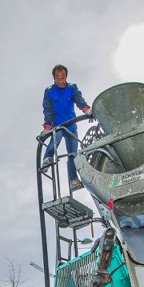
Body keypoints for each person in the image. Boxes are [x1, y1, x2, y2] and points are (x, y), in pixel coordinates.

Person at [42, 64, 91, 192]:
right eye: (58, 79)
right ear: (54, 78)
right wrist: (47, 127)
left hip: (71, 126)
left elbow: (79, 100)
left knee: (73, 154)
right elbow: (47, 109)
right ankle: (47, 159)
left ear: (66, 77)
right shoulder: (50, 91)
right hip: (57, 125)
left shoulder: (72, 88)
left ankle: (73, 180)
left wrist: (86, 110)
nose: (60, 81)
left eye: (62, 78)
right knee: (55, 140)